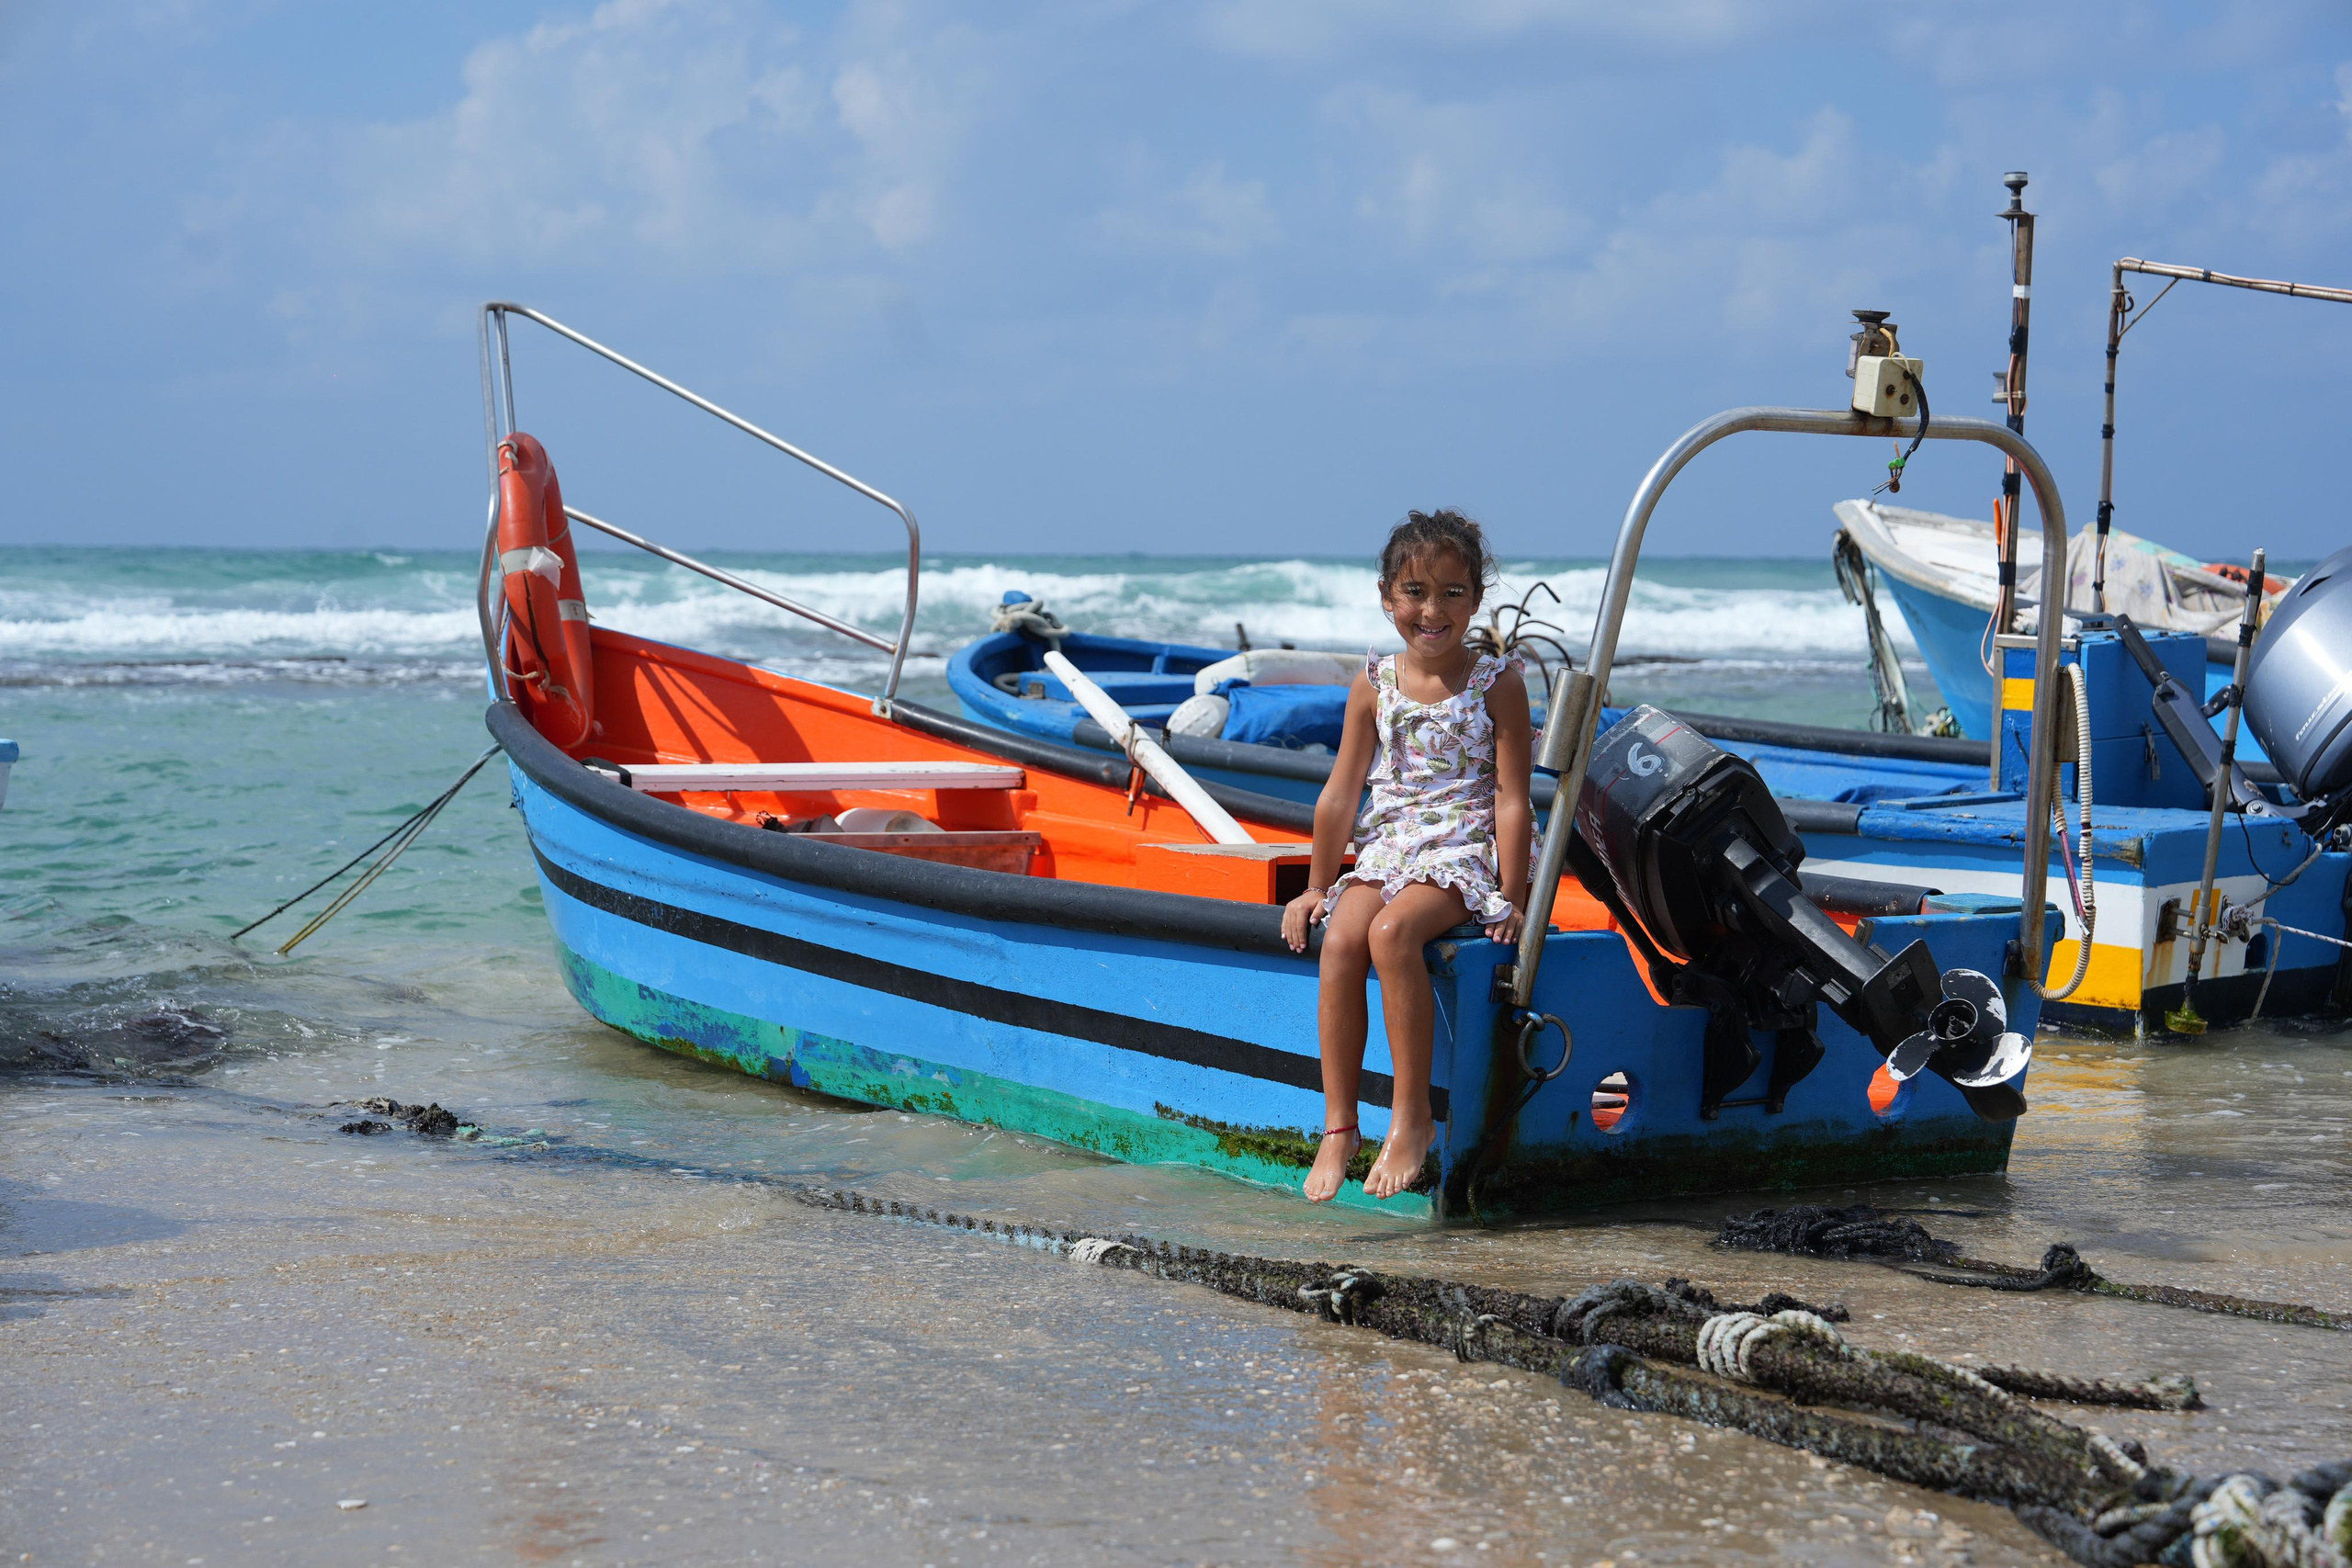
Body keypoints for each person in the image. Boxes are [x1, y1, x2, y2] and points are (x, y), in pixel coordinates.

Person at [1280, 509, 1533, 1202]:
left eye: (1453, 593)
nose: (1433, 610)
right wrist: (1316, 886)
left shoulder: (1497, 683)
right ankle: (1339, 1124)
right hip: (1392, 843)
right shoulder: (1374, 681)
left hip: (1464, 846)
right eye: (1415, 592)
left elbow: (1513, 798)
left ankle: (1412, 1116)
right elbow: (1341, 792)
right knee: (1342, 937)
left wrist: (1512, 896)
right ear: (1387, 597)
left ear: (1476, 600)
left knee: (1392, 933)